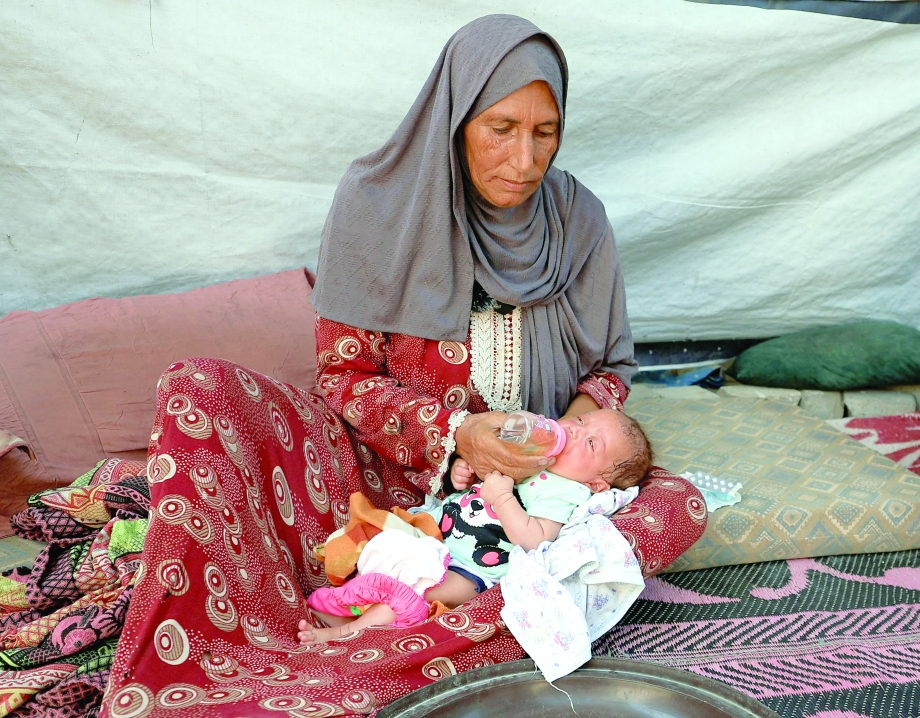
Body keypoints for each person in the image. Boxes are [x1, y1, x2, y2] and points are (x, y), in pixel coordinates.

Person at [102, 14, 706, 715]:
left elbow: (608, 371)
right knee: (199, 388)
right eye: (500, 128)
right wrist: (459, 434)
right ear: (455, 118)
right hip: (372, 478)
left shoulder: (578, 220)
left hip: (526, 504)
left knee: (678, 506)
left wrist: (552, 444)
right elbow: (342, 375)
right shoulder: (376, 206)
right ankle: (272, 626)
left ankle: (429, 633)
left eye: (546, 132)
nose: (525, 160)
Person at [295, 409, 652, 643]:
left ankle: (347, 632)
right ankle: (347, 602)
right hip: (437, 534)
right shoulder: (535, 454)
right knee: (381, 545)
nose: (575, 431)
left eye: (591, 442)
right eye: (581, 420)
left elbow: (534, 539)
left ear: (597, 485)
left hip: (471, 570)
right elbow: (479, 482)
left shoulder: (565, 489)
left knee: (418, 588)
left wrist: (503, 499)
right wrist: (461, 476)